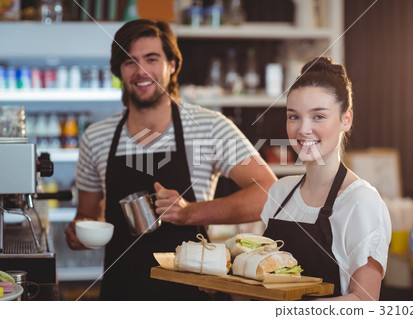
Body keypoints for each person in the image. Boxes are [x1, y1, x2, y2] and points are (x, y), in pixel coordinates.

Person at [64, 19, 277, 300]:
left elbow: (269, 193)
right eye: (130, 62)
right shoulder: (97, 137)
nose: (141, 71)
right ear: (119, 70)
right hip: (121, 291)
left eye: (151, 59)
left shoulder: (209, 126)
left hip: (192, 293)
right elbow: (88, 214)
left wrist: (190, 212)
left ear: (172, 65)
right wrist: (79, 231)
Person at [260, 56, 391, 300]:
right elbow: (258, 288)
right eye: (293, 116)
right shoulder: (280, 192)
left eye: (318, 116)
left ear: (346, 120)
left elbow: (364, 303)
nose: (303, 129)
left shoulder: (361, 201)